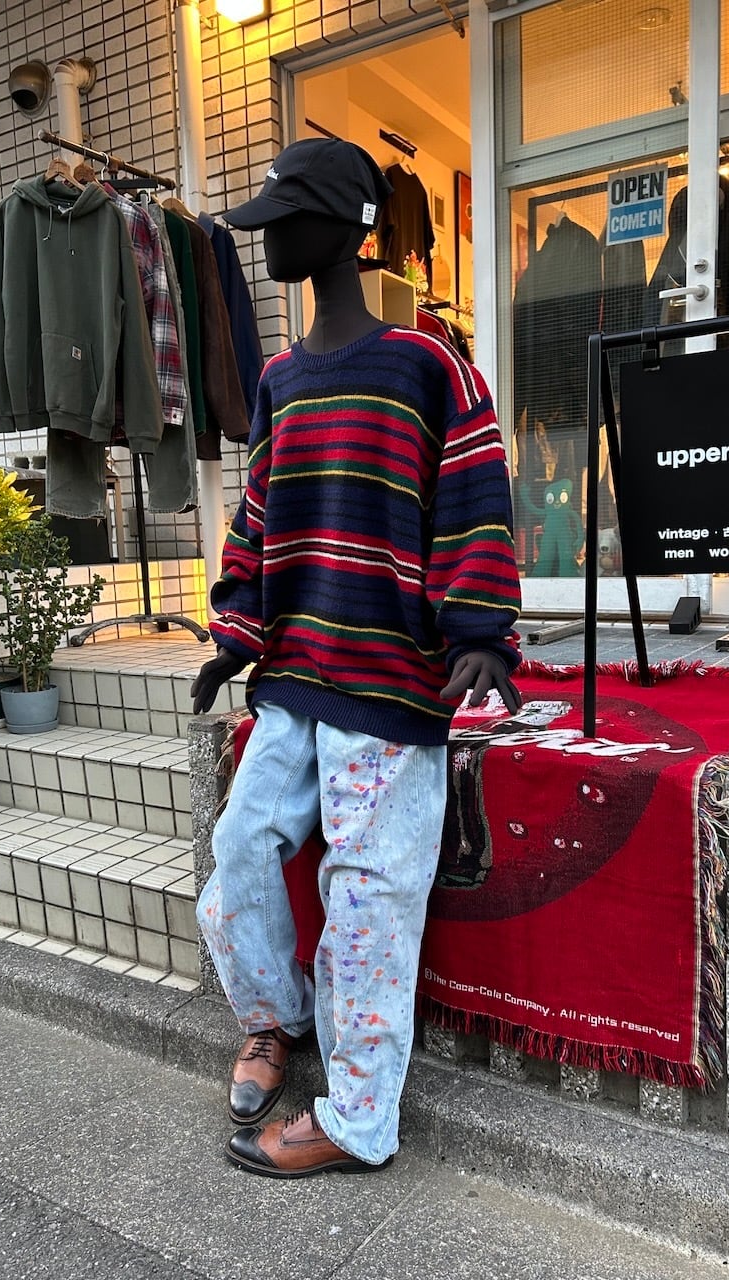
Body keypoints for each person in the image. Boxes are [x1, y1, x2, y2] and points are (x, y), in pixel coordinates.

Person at [191, 137, 523, 1179]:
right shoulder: (281, 379)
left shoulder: (427, 365)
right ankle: (275, 1017)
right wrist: (234, 633)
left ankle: (359, 1118)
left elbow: (474, 490)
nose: (267, 239)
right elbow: (260, 516)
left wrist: (480, 630)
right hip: (295, 673)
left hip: (389, 679)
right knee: (240, 852)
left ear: (342, 229)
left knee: (370, 899)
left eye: (283, 219)